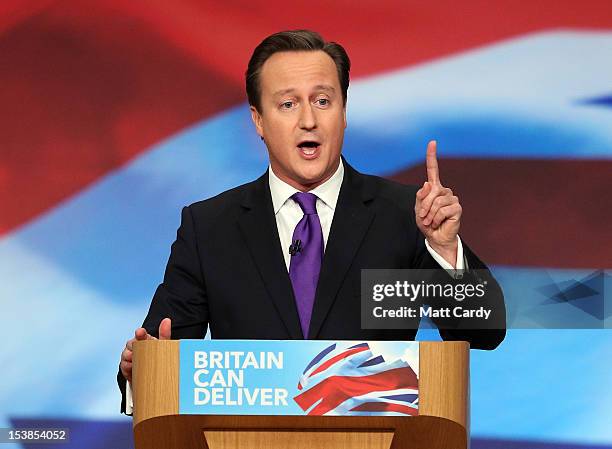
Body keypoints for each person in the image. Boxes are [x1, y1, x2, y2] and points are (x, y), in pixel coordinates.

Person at [118, 30, 506, 414]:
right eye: (288, 104)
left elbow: (483, 332)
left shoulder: (405, 215)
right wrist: (143, 371)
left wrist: (444, 249)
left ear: (343, 112)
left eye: (323, 101)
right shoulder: (210, 227)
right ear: (258, 120)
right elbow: (159, 349)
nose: (308, 120)